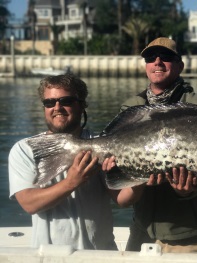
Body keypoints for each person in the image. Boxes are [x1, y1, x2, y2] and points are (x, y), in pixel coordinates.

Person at [103, 37, 197, 253]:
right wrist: (112, 169)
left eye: (166, 57)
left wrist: (189, 190)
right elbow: (116, 162)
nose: (158, 62)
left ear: (180, 65)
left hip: (184, 232)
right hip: (142, 226)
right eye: (151, 57)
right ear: (145, 65)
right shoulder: (131, 107)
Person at [8, 74, 118, 250]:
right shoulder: (25, 149)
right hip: (49, 256)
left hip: (100, 255)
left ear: (82, 105)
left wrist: (141, 179)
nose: (57, 107)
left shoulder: (104, 145)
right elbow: (29, 204)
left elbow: (125, 199)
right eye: (49, 103)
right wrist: (72, 182)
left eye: (65, 101)